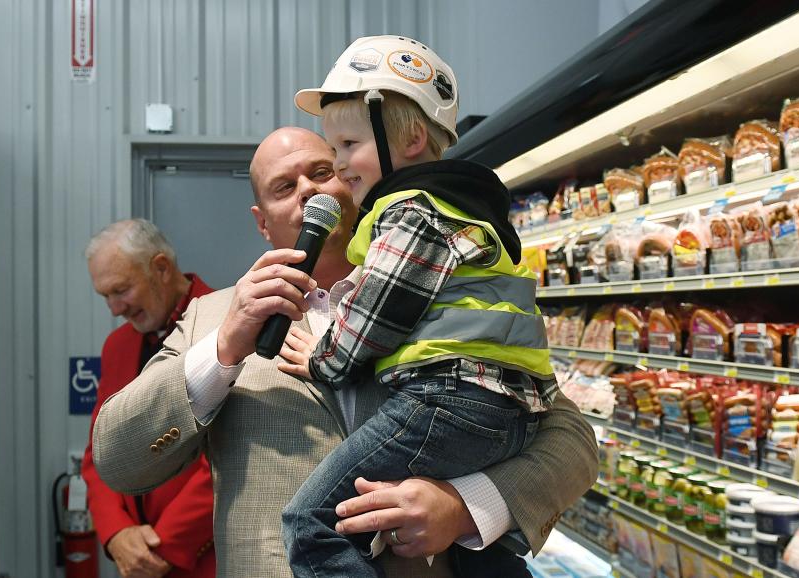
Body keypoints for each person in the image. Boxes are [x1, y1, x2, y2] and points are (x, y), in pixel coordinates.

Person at [91, 127, 599, 578]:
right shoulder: (210, 318)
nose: (309, 190)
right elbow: (118, 460)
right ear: (262, 222)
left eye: (322, 172)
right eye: (284, 187)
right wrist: (224, 347)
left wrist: (467, 508)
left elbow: (572, 439)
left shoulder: (441, 290)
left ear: (356, 188)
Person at [275, 35, 560, 578]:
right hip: (510, 411)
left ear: (408, 138)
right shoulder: (462, 210)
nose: (338, 168)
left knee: (312, 523)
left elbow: (367, 326)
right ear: (260, 218)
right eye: (333, 149)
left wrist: (319, 356)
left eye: (347, 146)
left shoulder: (410, 214)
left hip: (448, 399)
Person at [83, 219, 215, 578]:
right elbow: (99, 452)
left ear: (161, 268)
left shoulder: (227, 324)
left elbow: (232, 456)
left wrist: (163, 547)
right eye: (105, 296)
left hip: (205, 559)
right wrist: (115, 534)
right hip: (135, 560)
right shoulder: (117, 346)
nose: (113, 309)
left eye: (120, 290)